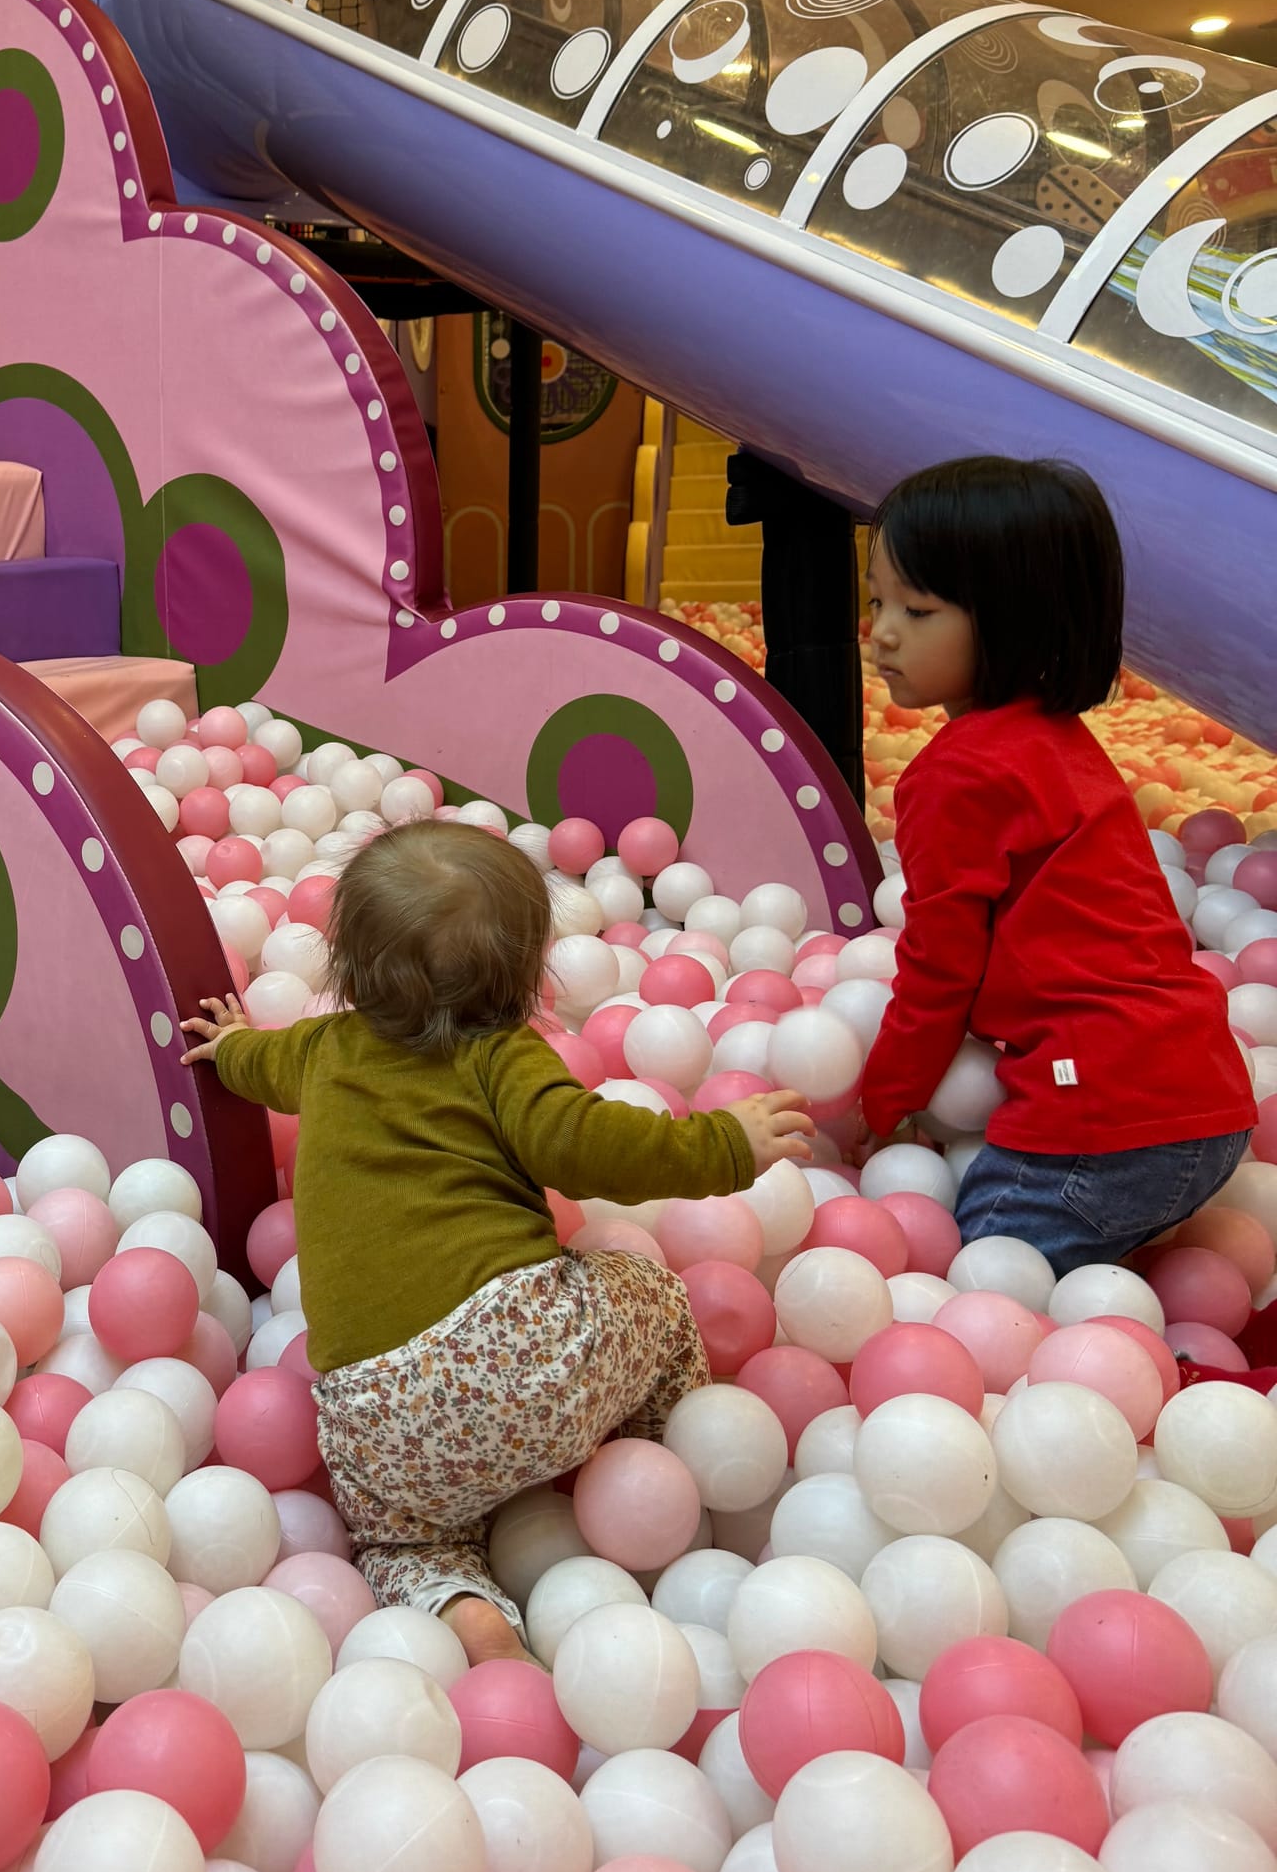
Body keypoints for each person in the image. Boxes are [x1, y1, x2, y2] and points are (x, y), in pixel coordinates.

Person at [180, 820, 814, 1664]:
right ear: (526, 978)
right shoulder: (501, 1056)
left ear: (347, 967)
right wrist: (727, 1142)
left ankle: (465, 1610)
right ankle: (651, 1457)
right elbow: (593, 1145)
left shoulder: (322, 1049)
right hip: (529, 1357)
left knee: (401, 1543)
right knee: (652, 1293)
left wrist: (227, 1048)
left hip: (379, 1416)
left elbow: (260, 1061)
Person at [862, 454, 1253, 1274]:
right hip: (1203, 1098)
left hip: (1105, 1123)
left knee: (978, 1280)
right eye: (876, 599)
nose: (883, 630)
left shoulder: (958, 773)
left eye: (918, 607)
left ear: (1013, 618)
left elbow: (940, 966)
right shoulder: (1059, 742)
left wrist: (884, 1100)